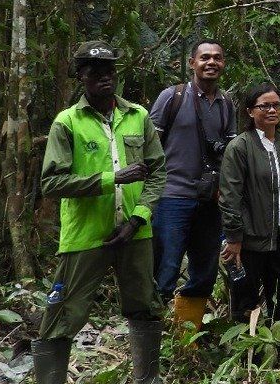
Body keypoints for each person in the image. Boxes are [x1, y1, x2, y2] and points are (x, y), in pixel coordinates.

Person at [33, 41, 166, 384]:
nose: (104, 78)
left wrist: (139, 217)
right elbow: (52, 182)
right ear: (81, 77)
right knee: (61, 314)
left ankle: (146, 379)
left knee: (146, 308)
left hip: (136, 233)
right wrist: (112, 179)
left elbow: (158, 172)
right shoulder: (68, 122)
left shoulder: (138, 116)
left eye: (109, 71)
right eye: (95, 72)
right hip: (85, 234)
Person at [148, 38, 236, 330]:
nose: (211, 62)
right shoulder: (171, 97)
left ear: (223, 64)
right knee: (166, 268)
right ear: (192, 63)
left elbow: (229, 152)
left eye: (217, 58)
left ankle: (186, 338)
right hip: (172, 196)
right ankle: (150, 335)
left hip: (210, 200)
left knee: (204, 272)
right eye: (205, 58)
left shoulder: (226, 104)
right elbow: (149, 146)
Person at [219, 83, 280, 324]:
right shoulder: (240, 146)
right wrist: (234, 238)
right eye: (264, 106)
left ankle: (278, 348)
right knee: (246, 297)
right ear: (251, 111)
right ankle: (248, 351)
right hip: (250, 239)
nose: (272, 110)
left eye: (276, 105)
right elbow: (230, 196)